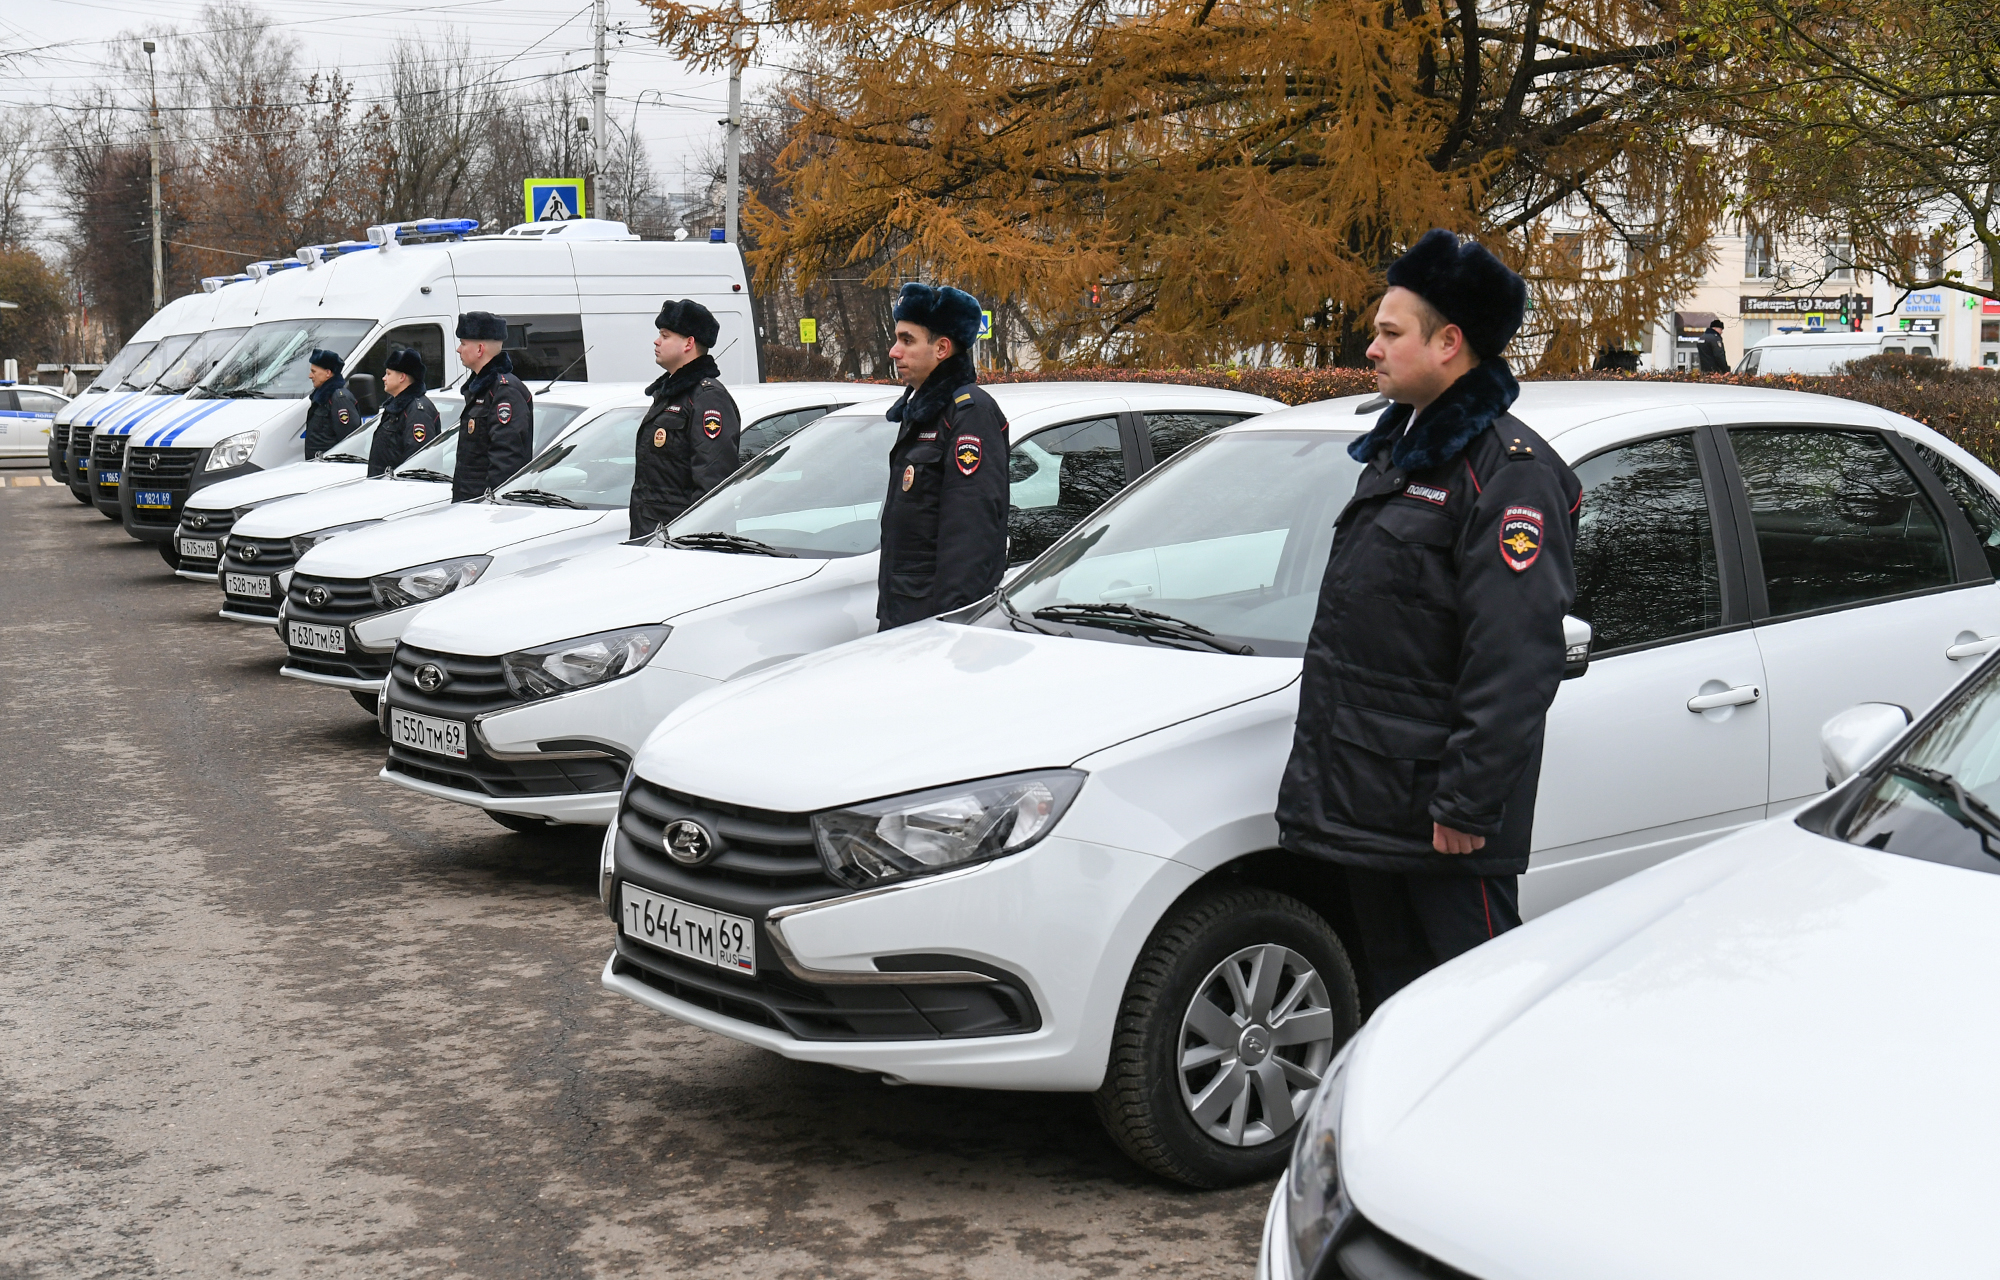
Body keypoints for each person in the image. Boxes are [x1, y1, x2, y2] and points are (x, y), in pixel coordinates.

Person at [1275, 228, 1582, 1007]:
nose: (1369, 348)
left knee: (1469, 1012)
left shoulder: (1509, 476)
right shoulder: (1401, 451)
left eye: (1388, 332)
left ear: (1449, 343)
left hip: (1443, 822)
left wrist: (1468, 802)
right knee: (1394, 1004)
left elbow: (1515, 656)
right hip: (1374, 799)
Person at [876, 282, 1009, 630]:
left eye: (907, 340)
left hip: (933, 623)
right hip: (904, 614)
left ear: (942, 348)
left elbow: (970, 536)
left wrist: (951, 628)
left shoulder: (969, 413)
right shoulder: (921, 412)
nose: (894, 351)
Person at [629, 299, 741, 539]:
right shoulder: (670, 395)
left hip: (679, 541)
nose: (656, 341)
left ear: (689, 343)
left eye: (665, 335)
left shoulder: (708, 398)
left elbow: (712, 483)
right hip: (653, 536)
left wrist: (695, 544)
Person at [450, 312, 533, 502]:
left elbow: (506, 459)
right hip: (469, 502)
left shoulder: (504, 391)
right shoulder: (481, 389)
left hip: (486, 507)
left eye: (463, 343)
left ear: (480, 349)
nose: (458, 349)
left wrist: (491, 504)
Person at [367, 346, 440, 477]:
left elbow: (417, 460)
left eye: (388, 374)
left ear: (402, 377)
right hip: (383, 485)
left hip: (398, 488)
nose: (384, 378)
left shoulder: (417, 411)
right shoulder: (396, 407)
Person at [302, 349, 361, 459]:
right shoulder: (322, 398)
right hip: (318, 465)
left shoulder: (339, 399)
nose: (310, 376)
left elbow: (349, 440)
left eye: (314, 371)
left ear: (328, 373)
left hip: (331, 467)